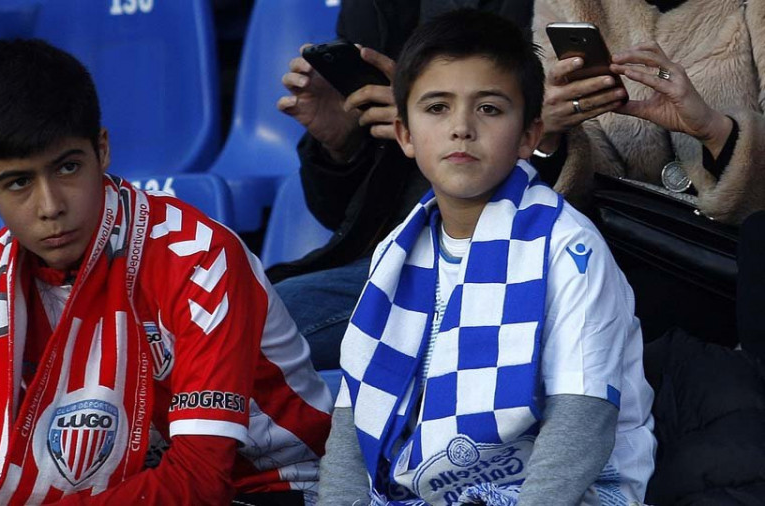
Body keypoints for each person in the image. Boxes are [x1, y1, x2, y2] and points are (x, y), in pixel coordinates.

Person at [0, 39, 332, 506]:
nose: (51, 207)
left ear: (101, 150)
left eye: (67, 167)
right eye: (18, 182)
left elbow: (201, 479)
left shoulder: (199, 256)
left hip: (266, 488)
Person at [317, 9, 655, 505]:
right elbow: (354, 418)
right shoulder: (396, 251)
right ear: (404, 134)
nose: (461, 128)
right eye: (436, 107)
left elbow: (581, 423)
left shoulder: (568, 247)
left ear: (529, 136)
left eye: (490, 109)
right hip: (429, 491)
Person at [271, 0, 535, 371]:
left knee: (258, 323)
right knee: (230, 311)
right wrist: (340, 147)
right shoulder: (368, 11)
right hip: (392, 254)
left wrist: (430, 115)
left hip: (503, 256)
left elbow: (549, 148)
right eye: (436, 106)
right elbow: (342, 218)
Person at [532, 0, 765, 224]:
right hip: (625, 237)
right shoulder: (568, 3)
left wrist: (715, 132)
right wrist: (550, 138)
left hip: (734, 247)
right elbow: (588, 177)